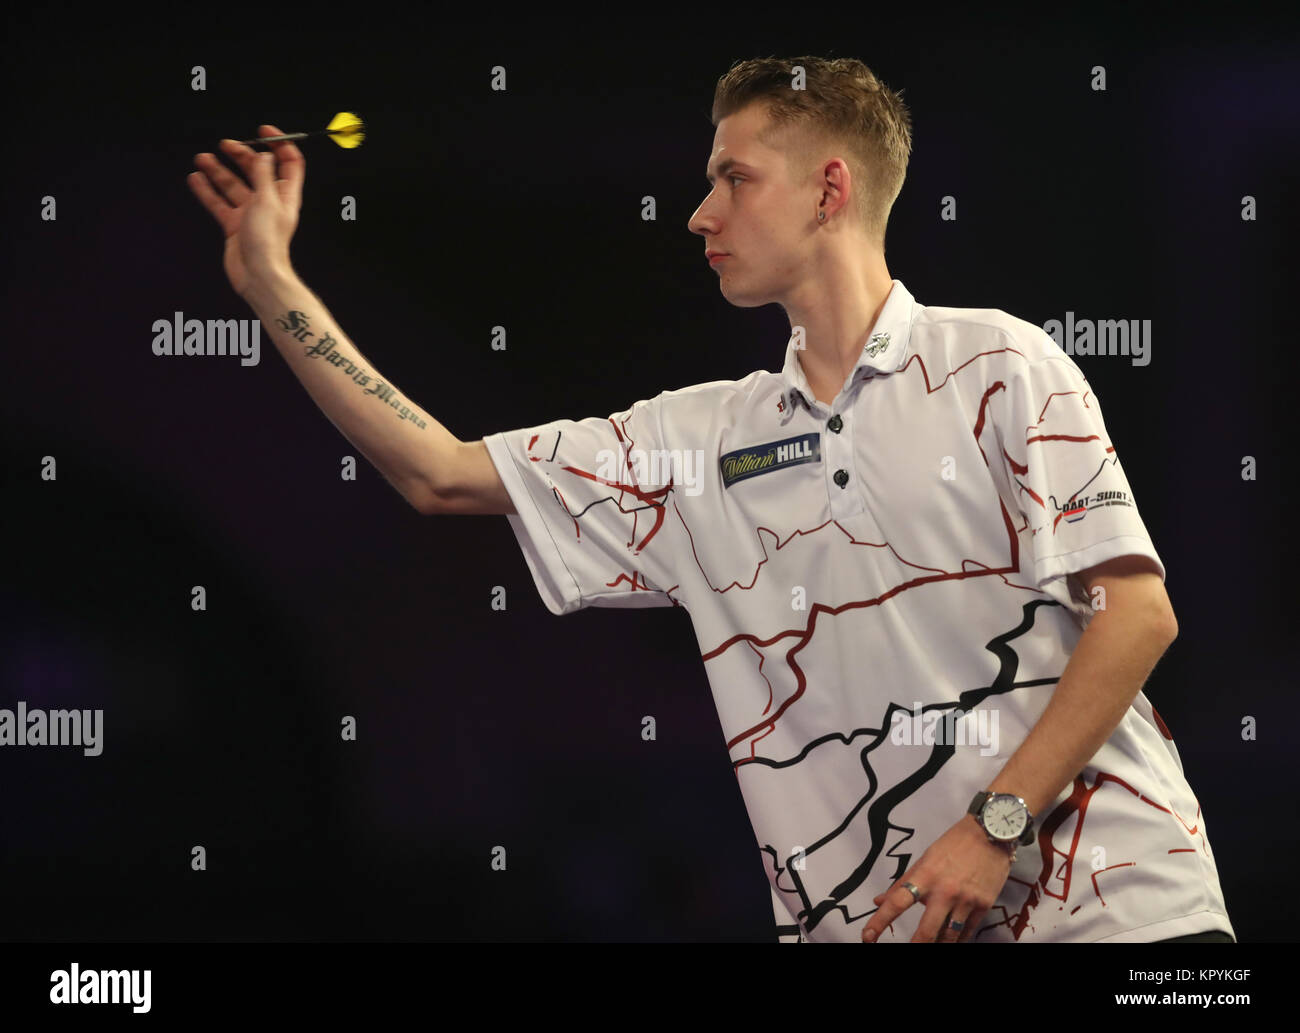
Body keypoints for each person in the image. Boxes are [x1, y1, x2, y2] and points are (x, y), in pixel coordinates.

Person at [188, 55, 1236, 943]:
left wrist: (991, 824)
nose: (699, 215)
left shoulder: (1001, 361)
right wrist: (271, 282)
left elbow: (1136, 613)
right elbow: (441, 471)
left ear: (829, 190)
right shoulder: (696, 440)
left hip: (1123, 911)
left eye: (733, 179)